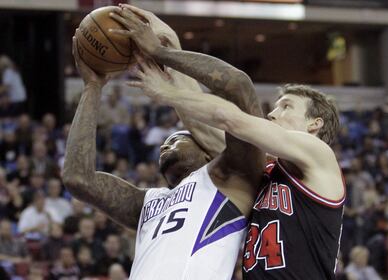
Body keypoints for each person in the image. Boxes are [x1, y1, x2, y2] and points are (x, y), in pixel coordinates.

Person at [110, 5, 345, 279]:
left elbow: (231, 119)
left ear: (314, 123)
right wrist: (172, 50)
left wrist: (166, 82)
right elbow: (203, 125)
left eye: (286, 107)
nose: (272, 113)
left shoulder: (318, 154)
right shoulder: (266, 169)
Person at [62, 8, 264, 280]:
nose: (165, 146)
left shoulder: (232, 177)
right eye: (165, 143)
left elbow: (239, 86)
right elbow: (78, 179)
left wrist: (161, 52)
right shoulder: (148, 202)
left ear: (209, 154)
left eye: (178, 137)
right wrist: (93, 87)